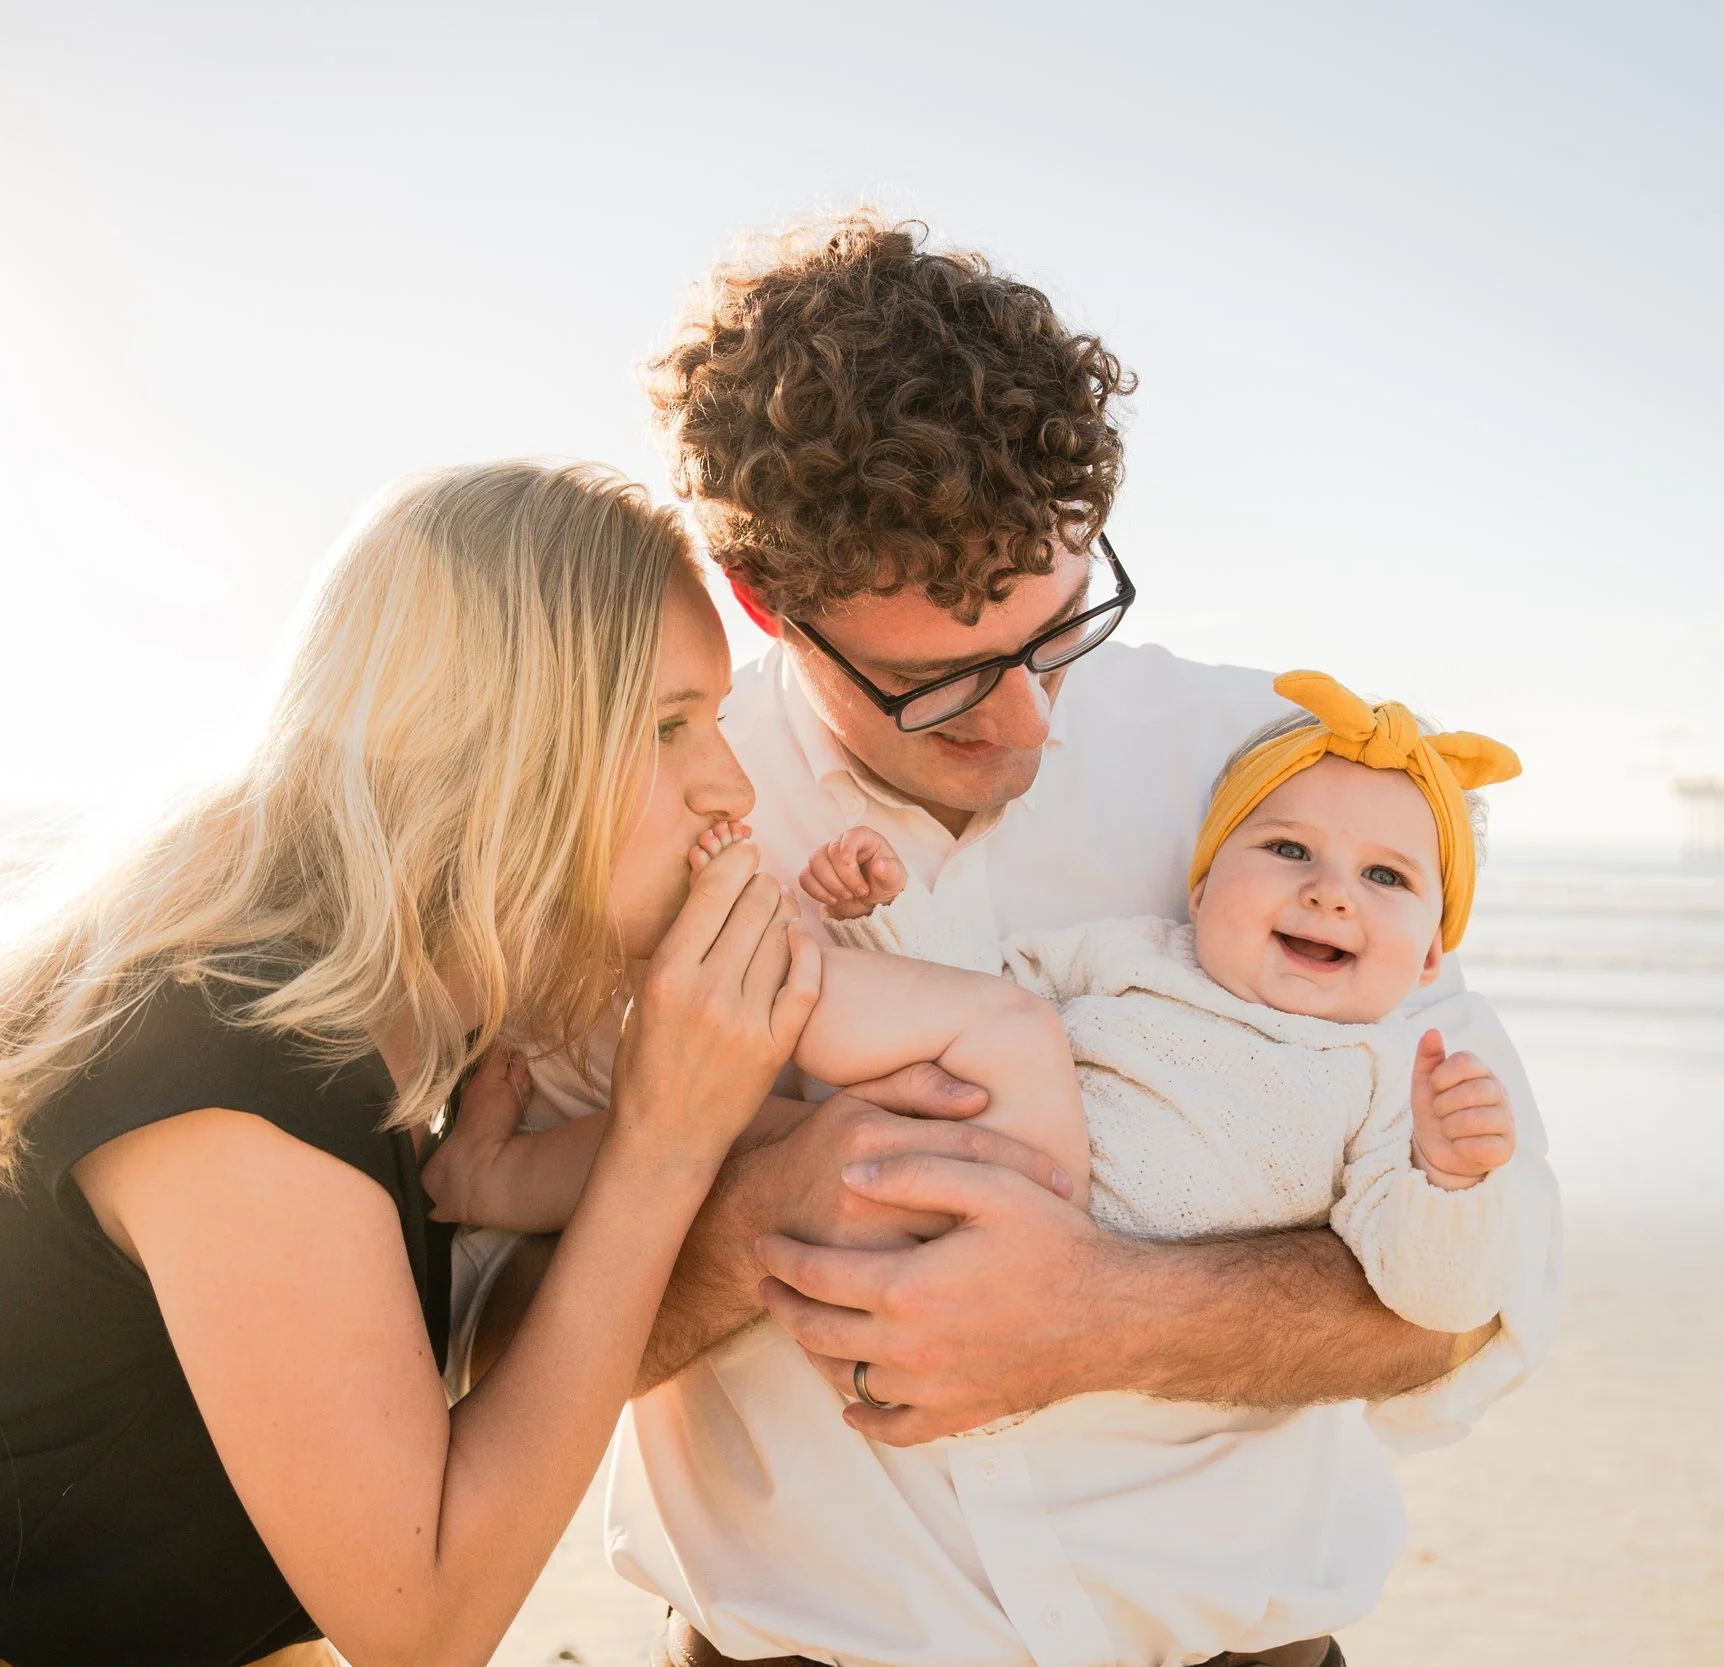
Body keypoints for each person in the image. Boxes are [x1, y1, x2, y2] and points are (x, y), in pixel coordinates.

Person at [452, 213, 1564, 1662]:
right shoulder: (619, 811)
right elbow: (483, 1346)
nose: (1027, 719)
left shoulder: (1284, 782)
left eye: (1057, 631)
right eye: (941, 681)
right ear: (765, 605)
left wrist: (1110, 1313)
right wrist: (736, 1224)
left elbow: (1490, 1293)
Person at [0, 461, 824, 1667]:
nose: (731, 783)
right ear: (493, 747)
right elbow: (423, 1617)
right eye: (667, 726)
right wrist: (664, 1144)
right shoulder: (225, 1052)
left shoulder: (404, 1004)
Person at [430, 672, 1540, 1664]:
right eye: (1287, 851)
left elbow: (1448, 1303)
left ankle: (770, 968)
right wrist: (885, 915)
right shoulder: (1134, 957)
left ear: (1435, 950)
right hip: (977, 1157)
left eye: (1388, 878)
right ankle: (513, 1158)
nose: (1331, 892)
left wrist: (1452, 1177)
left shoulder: (1398, 1072)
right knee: (727, 1120)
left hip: (1049, 1224)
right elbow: (961, 984)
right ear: (1200, 886)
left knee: (956, 1041)